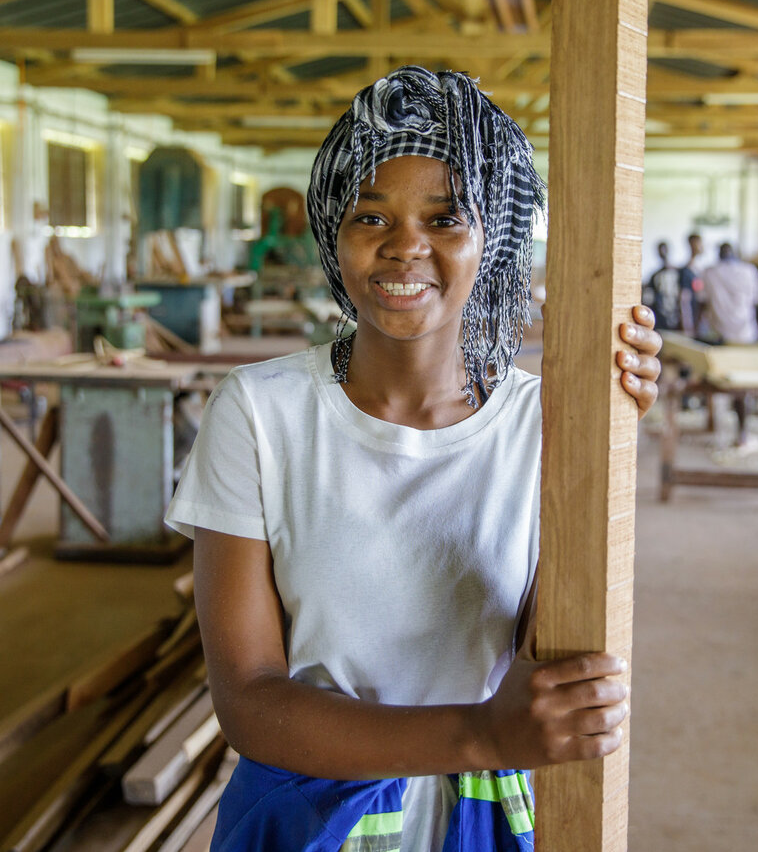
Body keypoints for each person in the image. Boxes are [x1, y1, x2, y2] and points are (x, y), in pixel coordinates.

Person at [165, 66, 663, 852]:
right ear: (333, 230)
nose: (405, 247)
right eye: (371, 215)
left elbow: (553, 648)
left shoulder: (549, 423)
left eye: (445, 218)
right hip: (304, 821)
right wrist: (480, 735)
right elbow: (250, 703)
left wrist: (610, 442)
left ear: (491, 236)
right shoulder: (260, 412)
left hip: (480, 825)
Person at [698, 242, 758, 442]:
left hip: (720, 337)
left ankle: (712, 424)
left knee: (716, 384)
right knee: (742, 388)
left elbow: (702, 301)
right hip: (745, 335)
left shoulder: (709, 272)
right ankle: (741, 432)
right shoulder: (749, 271)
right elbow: (755, 300)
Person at [644, 240, 682, 331]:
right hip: (661, 318)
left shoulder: (679, 273)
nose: (663, 253)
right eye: (660, 251)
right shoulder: (655, 275)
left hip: (677, 317)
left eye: (664, 250)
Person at [678, 232, 704, 334]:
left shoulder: (703, 267)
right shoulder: (687, 270)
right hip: (693, 313)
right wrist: (687, 325)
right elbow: (684, 299)